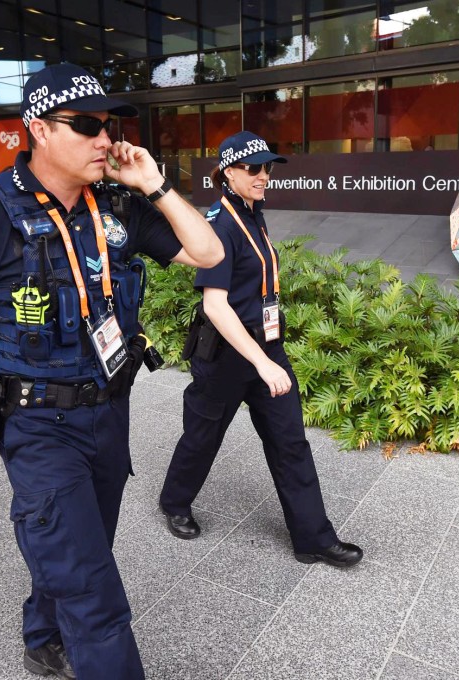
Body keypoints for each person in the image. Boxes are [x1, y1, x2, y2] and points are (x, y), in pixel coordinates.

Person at [0, 63, 223, 680]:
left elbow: (209, 252)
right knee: (94, 592)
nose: (106, 139)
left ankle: (44, 640)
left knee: (81, 548)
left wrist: (154, 184)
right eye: (88, 125)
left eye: (110, 126)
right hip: (37, 424)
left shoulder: (118, 205)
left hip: (109, 412)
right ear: (39, 129)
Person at [158, 131, 363, 569]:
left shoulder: (254, 213)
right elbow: (215, 305)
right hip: (227, 357)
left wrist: (267, 356)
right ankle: (174, 502)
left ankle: (313, 539)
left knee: (290, 443)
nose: (263, 175)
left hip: (266, 347)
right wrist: (261, 363)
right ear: (228, 173)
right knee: (202, 437)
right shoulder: (221, 224)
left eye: (267, 167)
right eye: (253, 168)